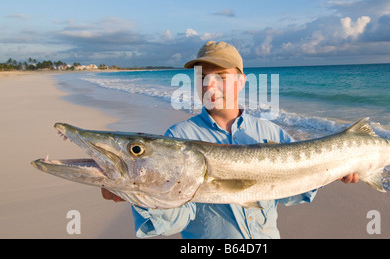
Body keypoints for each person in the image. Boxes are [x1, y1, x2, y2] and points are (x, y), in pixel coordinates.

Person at [101, 41, 359, 239]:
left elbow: (291, 193)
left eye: (221, 77)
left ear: (241, 81)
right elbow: (177, 218)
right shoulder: (178, 138)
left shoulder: (269, 132)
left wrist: (333, 171)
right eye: (202, 77)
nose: (210, 86)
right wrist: (137, 193)